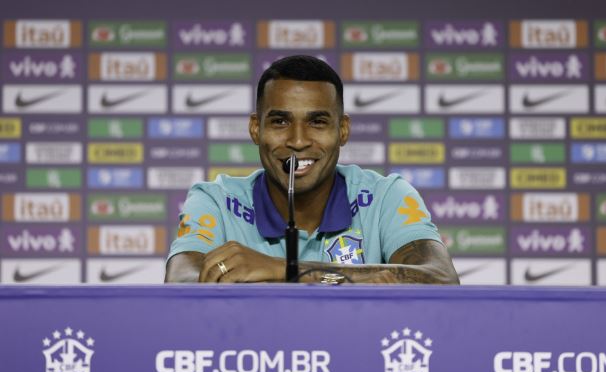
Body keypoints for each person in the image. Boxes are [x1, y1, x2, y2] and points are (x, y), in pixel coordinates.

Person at [165, 55, 459, 284]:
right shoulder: (216, 201)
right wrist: (345, 280)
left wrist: (285, 271)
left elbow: (441, 278)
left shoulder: (386, 197)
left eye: (317, 122)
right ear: (256, 128)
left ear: (343, 130)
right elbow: (181, 282)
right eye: (280, 122)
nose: (298, 141)